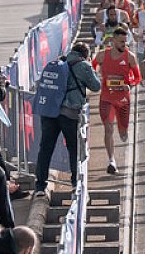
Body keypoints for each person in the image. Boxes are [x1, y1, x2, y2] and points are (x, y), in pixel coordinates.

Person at [33, 42, 100, 197]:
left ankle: (40, 187)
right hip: (69, 113)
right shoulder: (83, 65)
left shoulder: (57, 63)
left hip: (49, 112)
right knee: (73, 148)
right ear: (86, 55)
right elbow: (96, 86)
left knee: (45, 148)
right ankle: (75, 183)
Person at [92, 28, 141, 175]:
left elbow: (138, 77)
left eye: (125, 42)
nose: (124, 44)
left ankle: (123, 128)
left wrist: (130, 84)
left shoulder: (130, 57)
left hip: (123, 99)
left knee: (123, 133)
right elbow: (92, 66)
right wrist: (97, 76)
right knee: (108, 128)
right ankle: (111, 160)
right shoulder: (102, 55)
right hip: (106, 98)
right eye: (121, 42)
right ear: (113, 41)